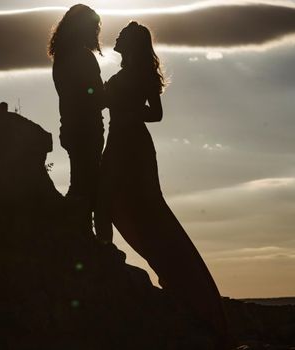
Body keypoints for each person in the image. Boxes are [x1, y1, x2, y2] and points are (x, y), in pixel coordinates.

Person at [95, 22, 231, 349]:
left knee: (142, 209)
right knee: (107, 202)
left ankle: (176, 280)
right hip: (117, 143)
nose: (114, 39)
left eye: (121, 37)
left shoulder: (141, 73)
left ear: (132, 44)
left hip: (133, 146)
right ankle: (105, 257)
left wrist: (127, 111)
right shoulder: (126, 72)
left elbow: (155, 114)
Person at [48, 4, 105, 234]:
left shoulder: (61, 57)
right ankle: (75, 233)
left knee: (82, 181)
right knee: (86, 184)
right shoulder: (82, 57)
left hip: (71, 127)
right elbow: (95, 94)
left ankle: (79, 232)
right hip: (87, 128)